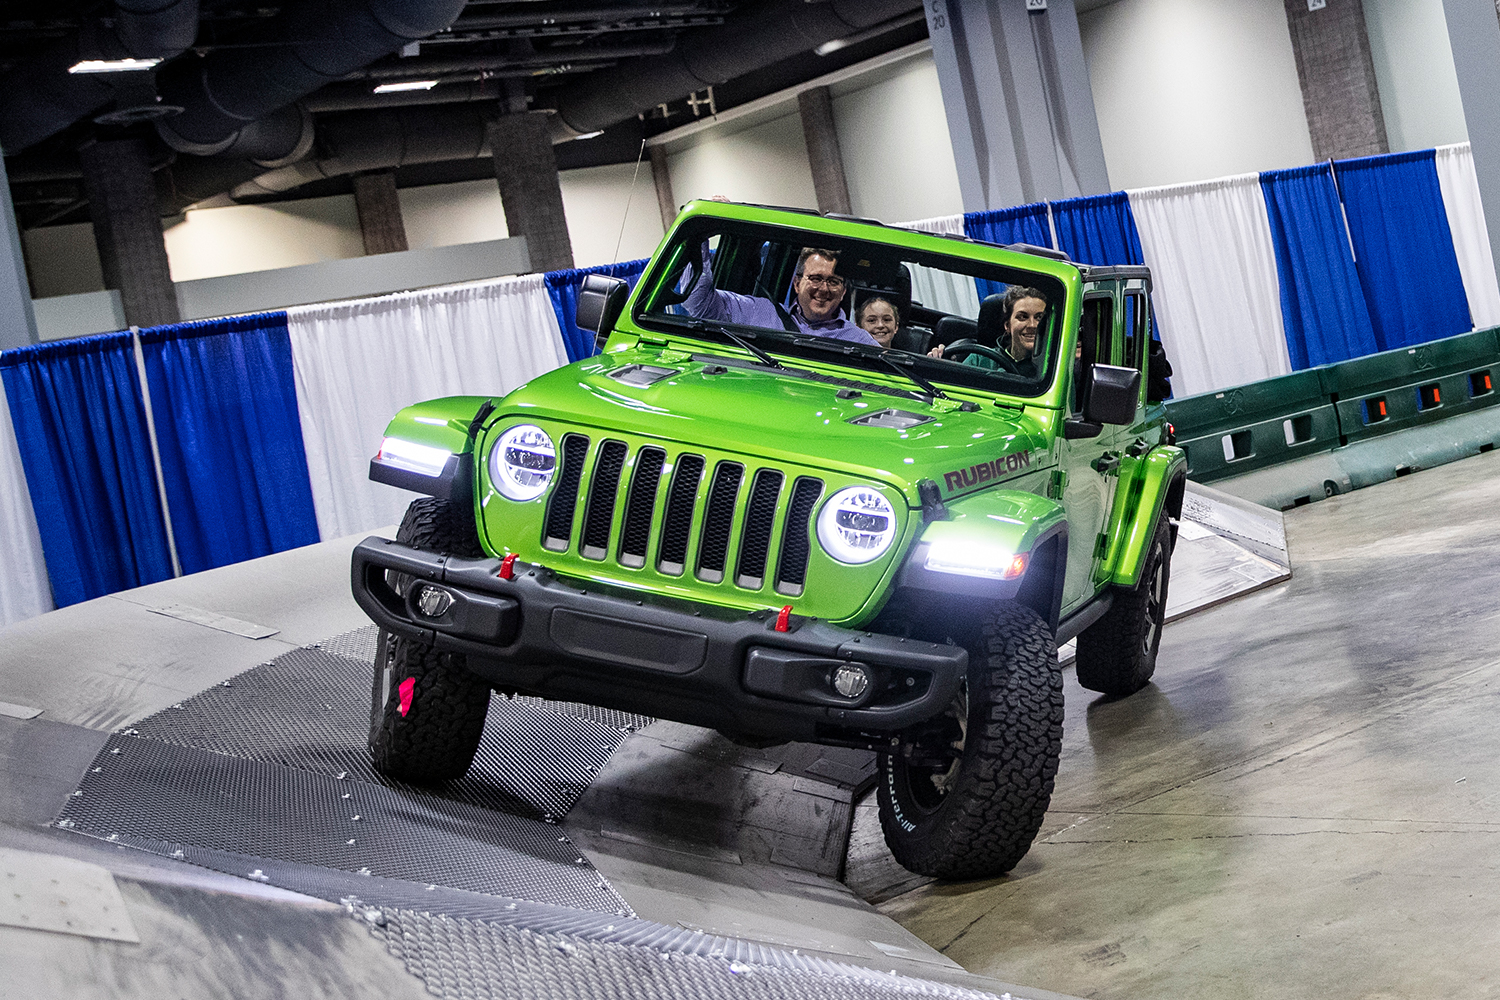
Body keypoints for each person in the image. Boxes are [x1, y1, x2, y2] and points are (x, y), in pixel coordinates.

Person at [683, 243, 879, 346]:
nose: (824, 289)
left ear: (843, 291)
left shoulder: (860, 342)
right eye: (816, 279)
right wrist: (703, 231)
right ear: (797, 283)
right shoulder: (757, 312)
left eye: (833, 281)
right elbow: (700, 304)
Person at [928, 285, 1048, 378]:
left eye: (1039, 318)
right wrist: (938, 367)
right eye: (1022, 317)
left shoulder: (1051, 369)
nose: (1032, 325)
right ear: (1007, 326)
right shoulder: (979, 359)